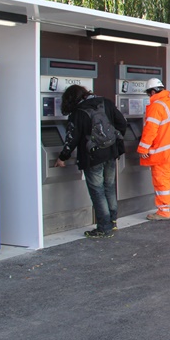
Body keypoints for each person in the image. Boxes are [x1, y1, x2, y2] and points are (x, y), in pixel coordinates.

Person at [54, 85, 127, 238]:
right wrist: (114, 140)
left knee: (97, 191)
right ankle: (112, 222)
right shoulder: (105, 103)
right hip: (111, 152)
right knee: (109, 187)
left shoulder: (78, 112)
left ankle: (103, 228)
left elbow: (71, 139)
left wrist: (62, 157)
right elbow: (122, 122)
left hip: (93, 156)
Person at [138, 78, 170, 220]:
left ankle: (163, 211)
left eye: (149, 94)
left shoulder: (156, 106)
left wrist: (143, 148)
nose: (149, 97)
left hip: (161, 150)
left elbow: (150, 130)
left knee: (161, 181)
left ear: (153, 91)